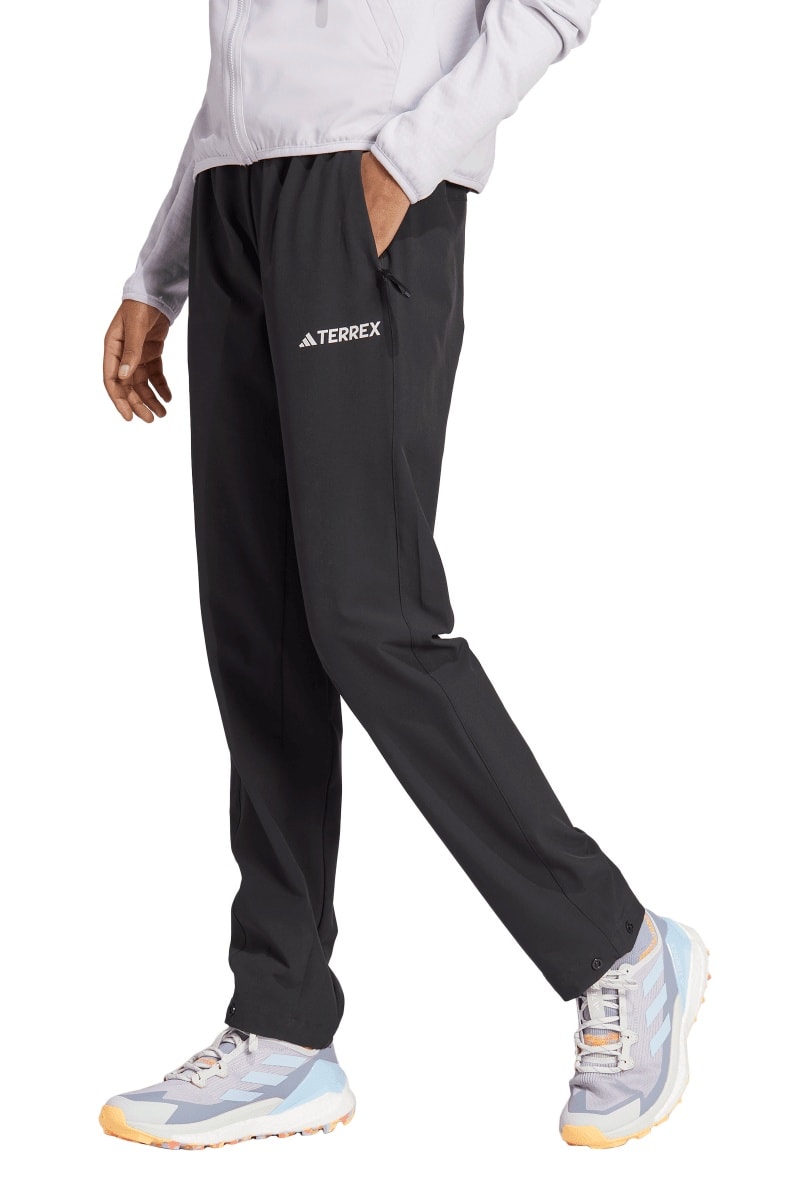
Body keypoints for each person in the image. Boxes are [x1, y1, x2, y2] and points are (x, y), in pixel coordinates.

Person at [100, 1, 709, 1152]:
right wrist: (161, 264)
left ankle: (616, 945)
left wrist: (403, 166)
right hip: (237, 204)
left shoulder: (389, 170)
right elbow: (243, 69)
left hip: (366, 186)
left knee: (366, 616)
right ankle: (280, 1026)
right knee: (258, 631)